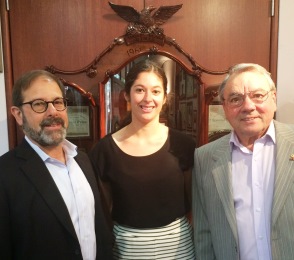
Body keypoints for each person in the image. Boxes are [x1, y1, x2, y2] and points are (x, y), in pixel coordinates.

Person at [0, 70, 113, 260]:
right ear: (18, 115)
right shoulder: (4, 174)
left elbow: (100, 229)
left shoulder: (83, 160)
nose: (52, 111)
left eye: (58, 102)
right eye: (39, 104)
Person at [89, 60, 196, 259]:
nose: (148, 98)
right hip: (126, 250)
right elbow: (102, 215)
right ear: (127, 94)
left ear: (165, 98)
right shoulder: (104, 150)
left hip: (178, 248)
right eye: (140, 90)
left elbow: (195, 205)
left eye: (156, 91)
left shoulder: (184, 145)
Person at [192, 63, 294, 260]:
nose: (248, 106)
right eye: (236, 99)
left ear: (273, 98)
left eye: (258, 95)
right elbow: (203, 233)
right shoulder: (205, 157)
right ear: (225, 107)